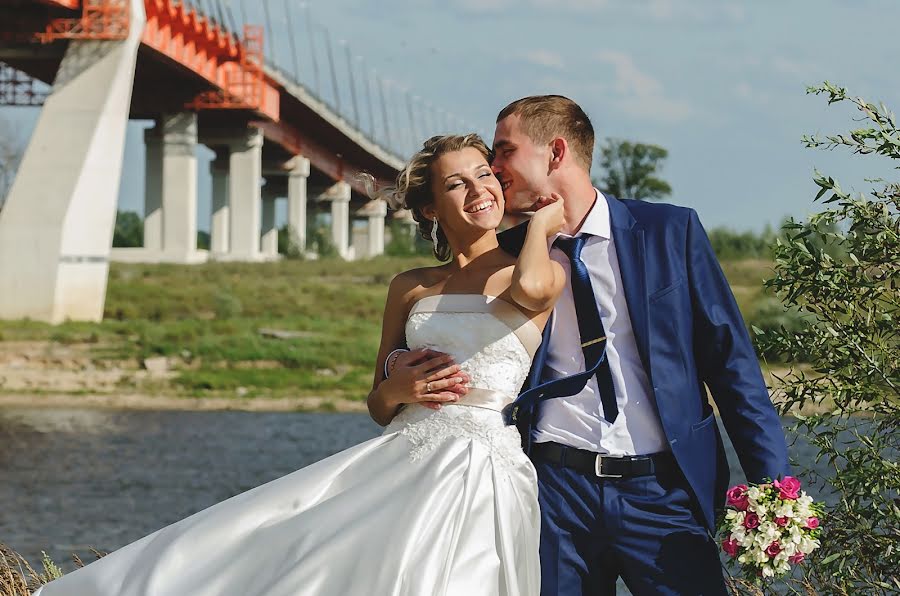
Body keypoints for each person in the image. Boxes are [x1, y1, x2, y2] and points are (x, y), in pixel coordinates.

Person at [32, 133, 564, 596]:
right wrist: (399, 388)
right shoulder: (410, 286)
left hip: (481, 468)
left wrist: (540, 223)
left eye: (483, 175)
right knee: (282, 550)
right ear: (429, 209)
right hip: (399, 461)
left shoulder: (533, 272)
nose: (479, 191)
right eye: (456, 184)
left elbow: (535, 291)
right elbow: (377, 406)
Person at [491, 95, 790, 595]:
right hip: (555, 494)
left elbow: (732, 366)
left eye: (504, 151)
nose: (494, 167)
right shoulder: (505, 256)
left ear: (555, 152)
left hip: (662, 491)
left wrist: (774, 488)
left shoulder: (670, 232)